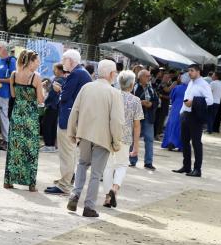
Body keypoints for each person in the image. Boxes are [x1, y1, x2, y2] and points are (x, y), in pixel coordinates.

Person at [66, 59, 125, 217]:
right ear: (112, 74)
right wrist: (116, 141)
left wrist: (72, 132)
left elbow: (75, 111)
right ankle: (89, 206)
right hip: (103, 138)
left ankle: (74, 195)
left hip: (84, 134)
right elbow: (117, 121)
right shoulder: (114, 93)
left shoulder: (86, 87)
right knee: (96, 174)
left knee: (82, 165)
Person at [45, 49, 92, 196]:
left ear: (71, 61)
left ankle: (64, 184)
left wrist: (59, 90)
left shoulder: (76, 73)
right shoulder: (82, 73)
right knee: (70, 152)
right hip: (76, 117)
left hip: (69, 118)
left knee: (67, 152)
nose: (62, 62)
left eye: (64, 59)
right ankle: (66, 180)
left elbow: (66, 96)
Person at [3, 50, 45, 191]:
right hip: (30, 116)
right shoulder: (36, 77)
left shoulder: (13, 75)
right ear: (30, 61)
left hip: (17, 114)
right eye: (37, 61)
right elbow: (40, 99)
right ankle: (30, 184)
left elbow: (13, 94)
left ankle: (8, 181)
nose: (38, 63)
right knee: (31, 148)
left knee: (14, 147)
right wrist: (42, 88)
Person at [103, 70, 143, 208]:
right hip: (125, 138)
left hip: (109, 136)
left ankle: (107, 197)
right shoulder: (136, 100)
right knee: (121, 165)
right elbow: (137, 125)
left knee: (108, 167)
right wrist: (136, 146)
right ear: (132, 84)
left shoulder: (111, 95)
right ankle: (115, 188)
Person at [173, 63, 212, 177]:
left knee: (196, 143)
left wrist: (193, 102)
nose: (189, 73)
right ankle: (186, 166)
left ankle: (197, 169)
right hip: (185, 115)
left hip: (196, 116)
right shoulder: (190, 82)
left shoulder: (204, 84)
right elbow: (186, 99)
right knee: (184, 142)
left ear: (198, 71)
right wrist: (182, 112)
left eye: (192, 71)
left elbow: (210, 100)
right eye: (189, 71)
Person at [131, 70, 158, 170]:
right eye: (147, 76)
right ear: (141, 77)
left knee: (149, 140)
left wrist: (151, 104)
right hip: (136, 116)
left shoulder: (151, 88)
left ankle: (148, 162)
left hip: (148, 116)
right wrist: (140, 102)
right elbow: (129, 99)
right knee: (134, 138)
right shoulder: (134, 87)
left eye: (149, 76)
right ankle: (132, 160)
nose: (149, 78)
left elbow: (156, 101)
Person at [40, 64, 64, 153]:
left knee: (47, 124)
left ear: (60, 70)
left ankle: (48, 145)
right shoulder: (62, 80)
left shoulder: (58, 80)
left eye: (55, 69)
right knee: (52, 125)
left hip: (52, 105)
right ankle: (51, 145)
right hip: (56, 106)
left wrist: (45, 102)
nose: (53, 71)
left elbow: (52, 94)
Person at [162, 73, 188, 151]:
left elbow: (171, 97)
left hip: (175, 107)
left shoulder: (177, 87)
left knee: (171, 125)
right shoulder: (190, 88)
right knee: (181, 126)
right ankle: (180, 144)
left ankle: (170, 141)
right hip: (185, 108)